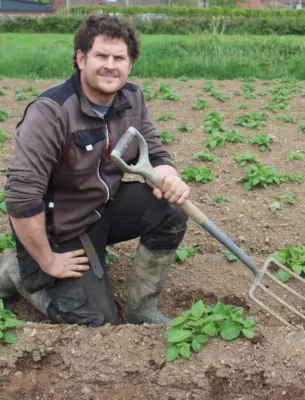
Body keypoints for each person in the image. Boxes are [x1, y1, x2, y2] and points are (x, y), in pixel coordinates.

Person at [0, 15, 190, 327]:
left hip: (103, 208)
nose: (110, 65)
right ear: (81, 58)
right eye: (101, 56)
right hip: (59, 226)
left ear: (130, 64)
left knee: (170, 209)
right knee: (94, 321)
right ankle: (17, 270)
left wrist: (169, 175)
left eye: (119, 58)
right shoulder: (51, 111)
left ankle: (141, 310)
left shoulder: (132, 99)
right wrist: (47, 259)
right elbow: (21, 196)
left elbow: (154, 151)